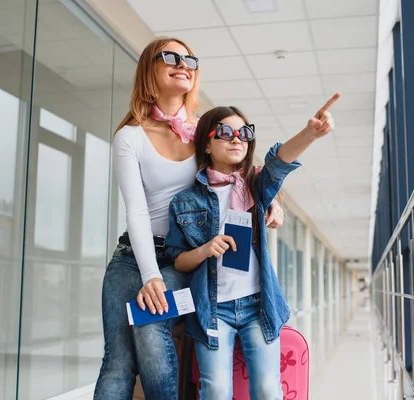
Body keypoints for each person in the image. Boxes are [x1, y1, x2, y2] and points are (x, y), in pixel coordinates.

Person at [93, 37, 285, 400]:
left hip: (181, 259)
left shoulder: (206, 134)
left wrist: (274, 203)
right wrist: (148, 275)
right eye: (171, 57)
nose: (183, 64)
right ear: (150, 68)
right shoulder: (129, 137)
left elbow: (240, 177)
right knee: (117, 360)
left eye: (190, 59)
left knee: (149, 327)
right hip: (130, 258)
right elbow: (135, 209)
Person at [165, 94, 340, 399]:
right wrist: (206, 249)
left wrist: (309, 133)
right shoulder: (185, 201)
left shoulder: (255, 186)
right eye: (225, 132)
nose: (237, 139)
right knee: (215, 390)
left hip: (257, 307)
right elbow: (178, 260)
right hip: (212, 309)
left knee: (268, 389)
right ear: (206, 144)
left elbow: (279, 161)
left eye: (244, 133)